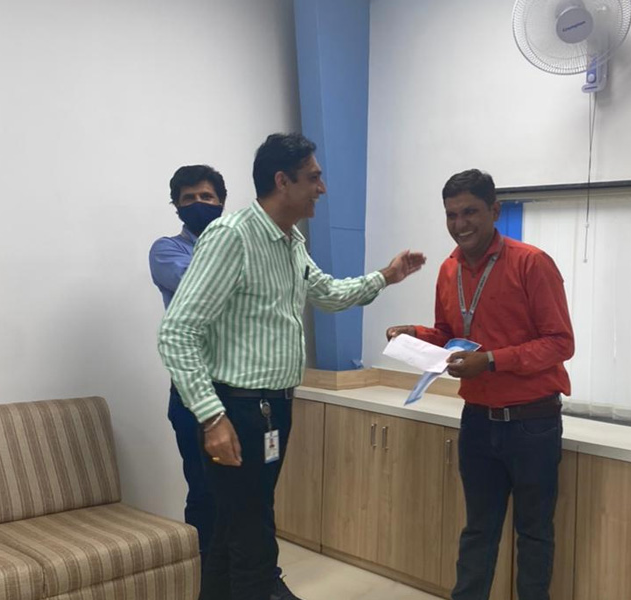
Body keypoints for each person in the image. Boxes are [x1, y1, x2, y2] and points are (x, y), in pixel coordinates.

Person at [158, 132, 426, 600]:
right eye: (314, 178)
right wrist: (212, 418)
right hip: (235, 410)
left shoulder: (290, 241)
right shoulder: (232, 236)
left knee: (235, 528)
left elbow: (328, 293)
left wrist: (386, 276)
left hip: (273, 408)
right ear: (283, 181)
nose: (322, 188)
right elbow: (177, 332)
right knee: (253, 539)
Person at [387, 169, 574, 600]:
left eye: (470, 212)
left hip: (532, 423)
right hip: (477, 422)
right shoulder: (448, 269)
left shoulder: (531, 263)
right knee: (478, 530)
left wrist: (489, 361)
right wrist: (414, 334)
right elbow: (448, 334)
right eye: (451, 215)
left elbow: (560, 343)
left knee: (534, 533)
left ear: (495, 210)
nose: (460, 224)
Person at [148, 164, 226, 565]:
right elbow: (201, 286)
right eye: (189, 198)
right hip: (192, 390)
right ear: (176, 205)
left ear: (222, 202)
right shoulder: (167, 250)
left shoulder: (235, 249)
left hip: (236, 386)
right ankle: (206, 577)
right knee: (204, 489)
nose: (198, 204)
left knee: (247, 491)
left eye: (207, 197)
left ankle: (255, 576)